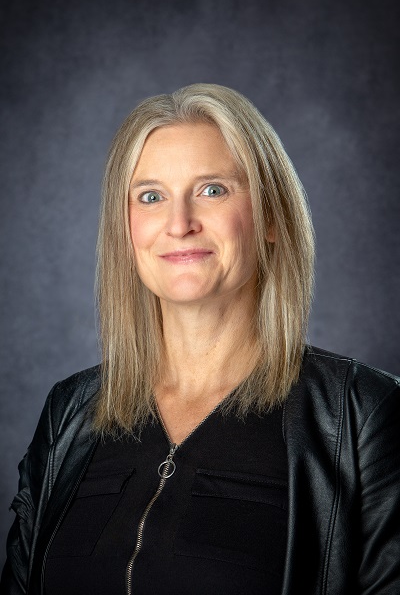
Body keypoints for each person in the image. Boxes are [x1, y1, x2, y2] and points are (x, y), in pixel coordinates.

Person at [1, 83, 399, 595]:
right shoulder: (69, 414)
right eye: (150, 196)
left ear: (272, 216)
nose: (179, 223)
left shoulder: (362, 416)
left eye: (213, 189)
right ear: (125, 230)